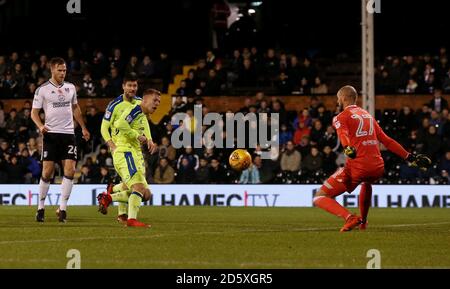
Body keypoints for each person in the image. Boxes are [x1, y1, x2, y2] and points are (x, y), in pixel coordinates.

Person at [313, 85, 431, 232]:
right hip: (377, 167)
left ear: (343, 98)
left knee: (319, 197)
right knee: (367, 183)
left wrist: (347, 147)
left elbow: (343, 134)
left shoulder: (341, 117)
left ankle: (350, 218)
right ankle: (363, 223)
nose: (338, 102)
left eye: (338, 99)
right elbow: (387, 141)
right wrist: (410, 157)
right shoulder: (368, 116)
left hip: (358, 166)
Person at [31, 57, 90, 223]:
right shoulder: (42, 90)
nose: (63, 73)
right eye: (60, 70)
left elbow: (75, 108)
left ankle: (63, 208)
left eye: (64, 70)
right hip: (51, 134)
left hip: (68, 134)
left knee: (70, 170)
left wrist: (83, 127)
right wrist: (40, 126)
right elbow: (34, 113)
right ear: (52, 70)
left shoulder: (71, 88)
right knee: (47, 172)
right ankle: (40, 208)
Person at [97, 89, 161, 228]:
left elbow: (144, 124)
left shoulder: (141, 113)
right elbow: (120, 124)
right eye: (154, 100)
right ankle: (129, 217)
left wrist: (149, 139)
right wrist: (136, 136)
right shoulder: (135, 110)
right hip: (126, 152)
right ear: (144, 100)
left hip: (134, 153)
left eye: (159, 102)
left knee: (146, 194)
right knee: (138, 187)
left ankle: (112, 191)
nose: (157, 104)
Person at [100, 75, 142, 224]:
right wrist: (113, 146)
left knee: (128, 182)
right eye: (129, 85)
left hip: (136, 149)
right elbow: (104, 128)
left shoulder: (139, 103)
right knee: (134, 183)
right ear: (123, 86)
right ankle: (122, 213)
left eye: (134, 86)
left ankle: (114, 192)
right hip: (121, 149)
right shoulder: (114, 105)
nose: (132, 88)